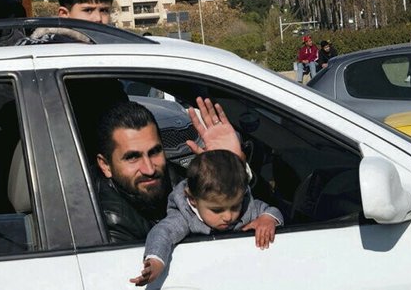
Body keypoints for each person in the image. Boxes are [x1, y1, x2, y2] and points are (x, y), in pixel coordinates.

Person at [94, 97, 245, 243]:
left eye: (154, 152)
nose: (149, 169)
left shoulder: (175, 177)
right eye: (133, 157)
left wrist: (229, 168)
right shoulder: (107, 226)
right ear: (105, 165)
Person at [130, 150, 281, 287]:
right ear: (192, 199)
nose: (228, 216)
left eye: (235, 207)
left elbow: (271, 211)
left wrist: (268, 219)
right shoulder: (185, 216)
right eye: (217, 210)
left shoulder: (246, 205)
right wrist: (156, 260)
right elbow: (163, 232)